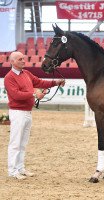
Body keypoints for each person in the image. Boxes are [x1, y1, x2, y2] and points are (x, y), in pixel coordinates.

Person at [4, 51, 65, 180]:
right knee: (15, 143)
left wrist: (56, 82)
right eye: (20, 59)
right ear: (12, 62)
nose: (23, 61)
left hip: (27, 112)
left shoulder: (26, 73)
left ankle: (20, 168)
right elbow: (16, 95)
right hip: (18, 112)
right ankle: (12, 170)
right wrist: (34, 94)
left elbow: (39, 82)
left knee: (23, 143)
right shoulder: (9, 77)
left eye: (23, 58)